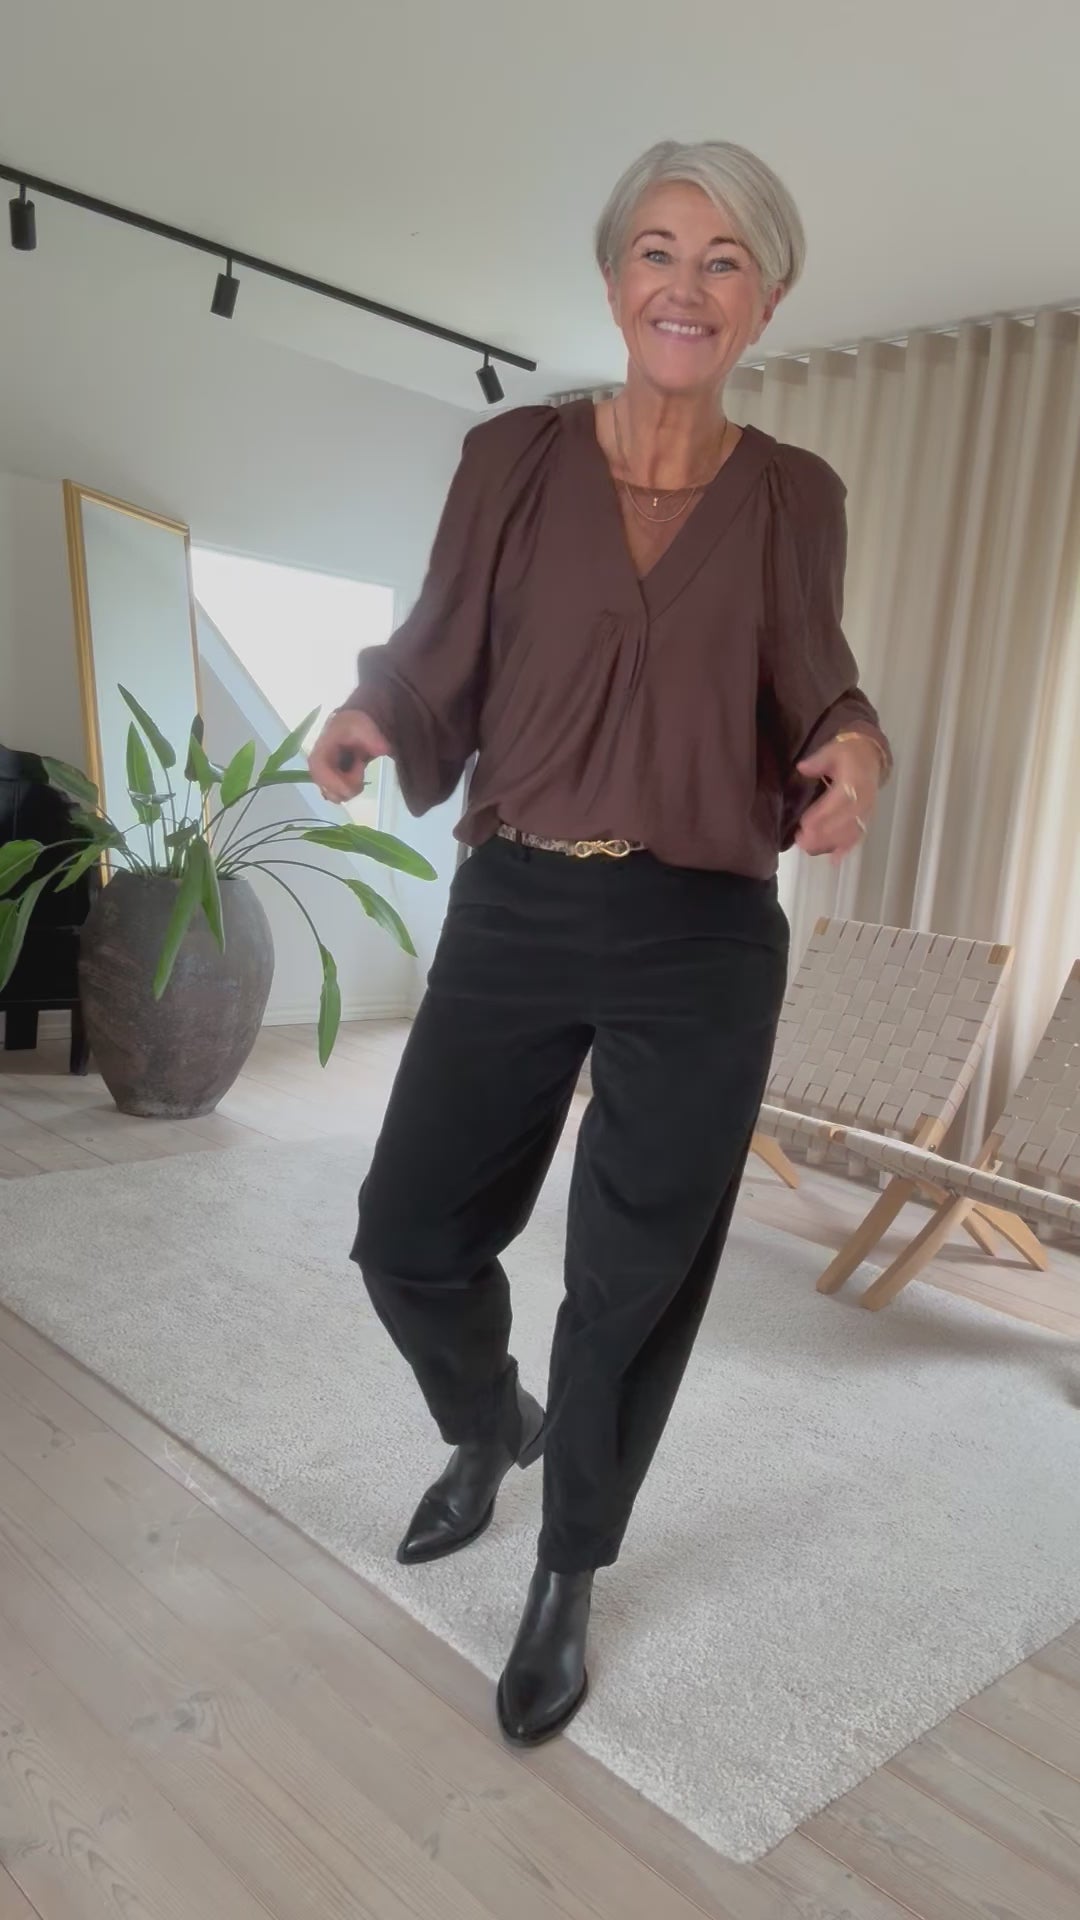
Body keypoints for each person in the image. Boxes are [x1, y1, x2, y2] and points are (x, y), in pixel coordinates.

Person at [308, 138, 890, 1748]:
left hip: (700, 931)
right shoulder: (513, 457)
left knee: (632, 1280)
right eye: (658, 250)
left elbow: (819, 685)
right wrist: (371, 711)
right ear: (615, 277)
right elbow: (436, 648)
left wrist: (854, 758)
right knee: (406, 1235)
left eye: (722, 259)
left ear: (766, 299)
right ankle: (488, 1419)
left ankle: (568, 1567)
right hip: (517, 901)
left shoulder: (792, 495)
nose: (684, 286)